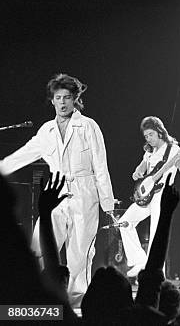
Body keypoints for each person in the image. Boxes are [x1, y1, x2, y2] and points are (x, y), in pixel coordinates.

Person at [0, 73, 115, 306]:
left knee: (79, 254)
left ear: (75, 100)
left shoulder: (88, 126)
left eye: (67, 97)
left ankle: (75, 303)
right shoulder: (46, 131)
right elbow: (24, 153)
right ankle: (39, 295)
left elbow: (101, 166)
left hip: (85, 193)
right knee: (39, 245)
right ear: (52, 100)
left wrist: (108, 204)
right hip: (56, 192)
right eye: (58, 97)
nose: (62, 102)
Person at [119, 116, 180, 277]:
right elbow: (143, 166)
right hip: (147, 195)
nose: (148, 138)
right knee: (124, 222)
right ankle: (139, 261)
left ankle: (156, 274)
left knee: (155, 235)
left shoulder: (173, 149)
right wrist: (137, 171)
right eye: (146, 136)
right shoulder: (150, 150)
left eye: (151, 134)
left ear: (160, 131)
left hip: (162, 195)